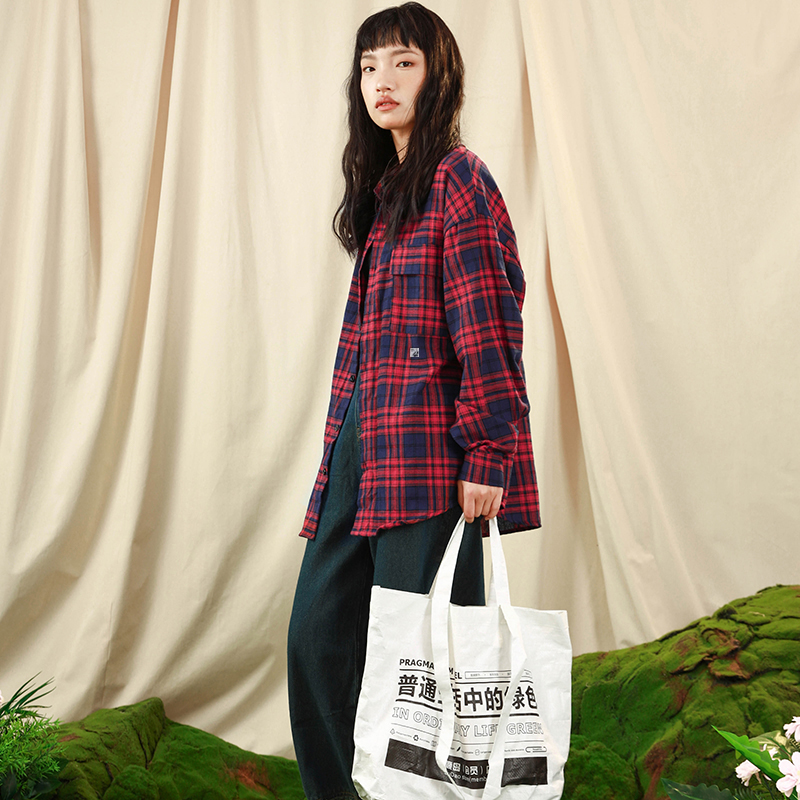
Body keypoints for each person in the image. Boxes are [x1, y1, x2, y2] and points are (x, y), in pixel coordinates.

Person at [286, 4, 540, 799]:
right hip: (361, 446)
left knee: (422, 670)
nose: (382, 81)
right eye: (369, 67)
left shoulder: (459, 179)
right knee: (317, 641)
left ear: (439, 76)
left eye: (403, 62)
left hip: (432, 457)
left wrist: (490, 452)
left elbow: (489, 324)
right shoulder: (390, 189)